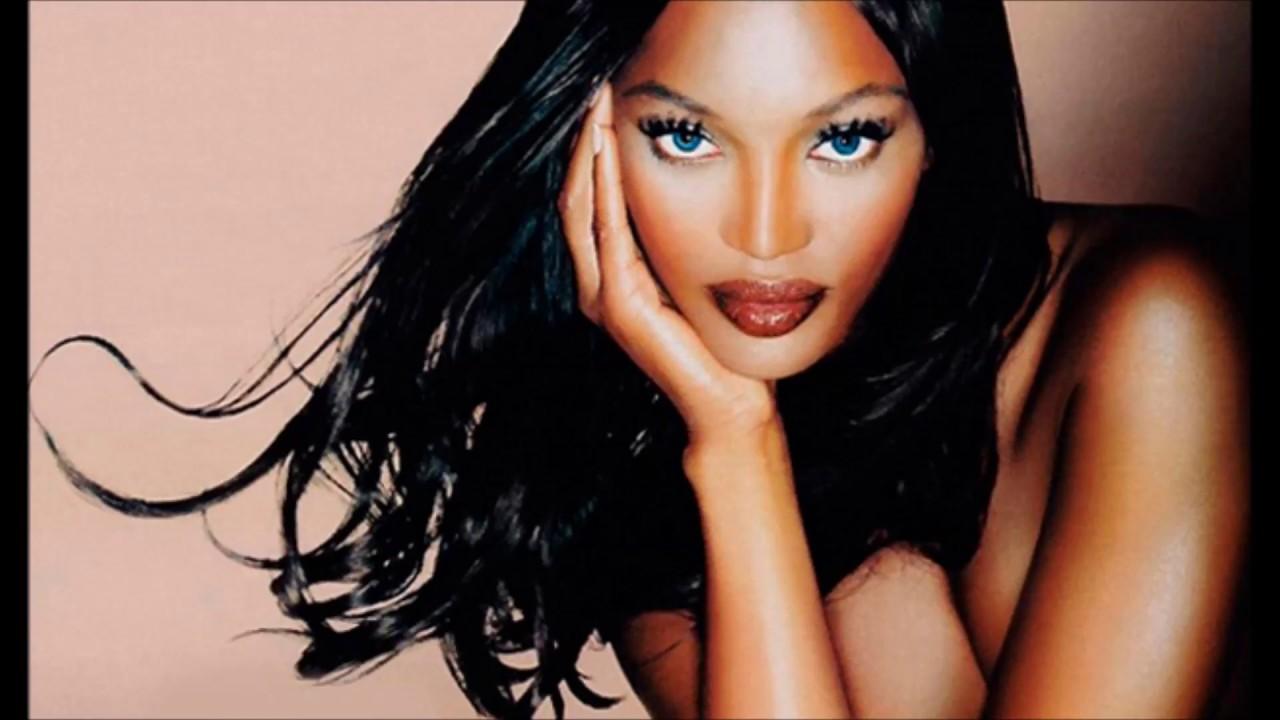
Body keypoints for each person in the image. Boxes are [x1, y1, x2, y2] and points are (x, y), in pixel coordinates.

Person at [32, 1, 1249, 718]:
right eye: (684, 135)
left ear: (935, 134)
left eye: (842, 139)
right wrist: (733, 446)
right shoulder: (627, 442)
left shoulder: (1139, 325)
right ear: (588, 138)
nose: (764, 235)